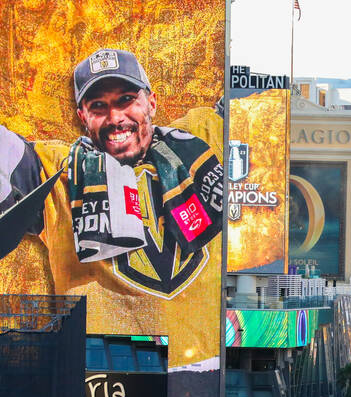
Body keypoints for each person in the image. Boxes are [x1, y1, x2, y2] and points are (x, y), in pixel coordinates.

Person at [0, 48, 223, 371]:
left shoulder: (200, 137)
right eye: (98, 106)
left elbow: (257, 103)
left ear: (152, 102)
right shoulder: (60, 172)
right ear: (83, 116)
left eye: (126, 100)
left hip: (205, 367)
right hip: (99, 372)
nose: (116, 117)